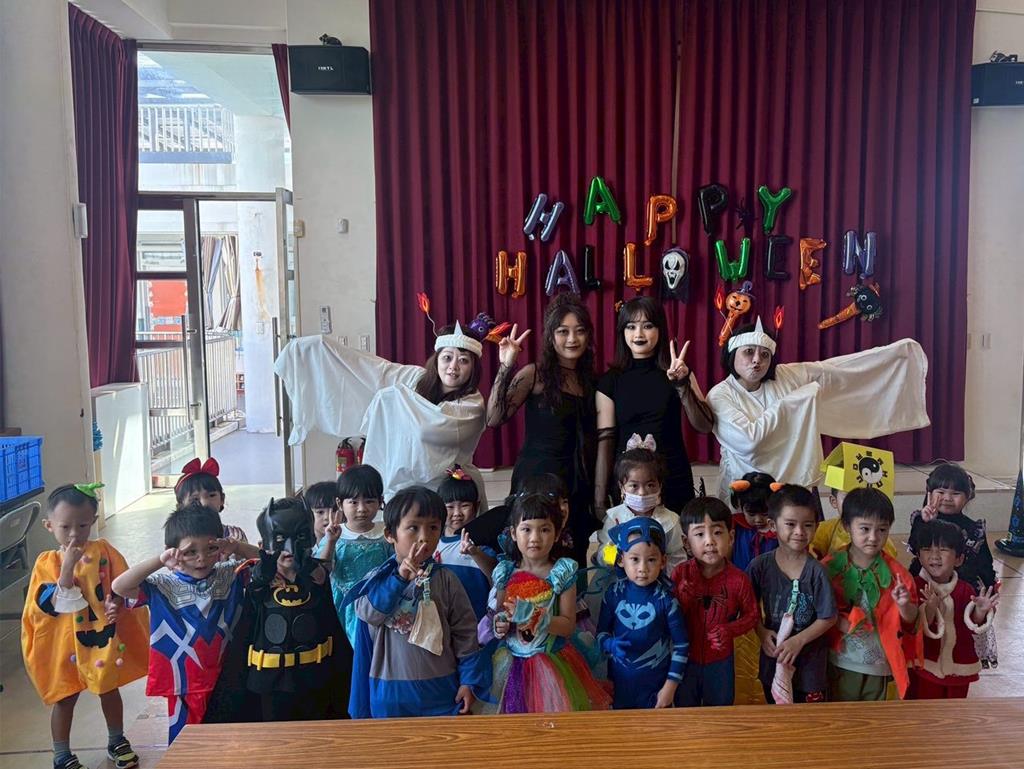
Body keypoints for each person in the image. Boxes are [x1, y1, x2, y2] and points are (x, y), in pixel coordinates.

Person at [275, 317, 494, 506]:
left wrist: (395, 398)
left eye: (463, 361)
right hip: (401, 487)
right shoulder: (416, 379)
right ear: (436, 359)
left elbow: (429, 429)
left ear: (473, 368)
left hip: (448, 491)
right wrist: (321, 347)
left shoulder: (472, 404)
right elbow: (374, 370)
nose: (453, 367)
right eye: (447, 357)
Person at [706, 319, 929, 498]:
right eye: (748, 352)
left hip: (791, 490)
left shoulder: (785, 376)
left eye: (765, 354)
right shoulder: (720, 395)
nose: (757, 360)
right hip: (745, 493)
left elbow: (838, 372)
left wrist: (891, 357)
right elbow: (749, 441)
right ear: (732, 354)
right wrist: (796, 401)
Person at [22, 484, 149, 769]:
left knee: (108, 687)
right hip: (64, 643)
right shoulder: (47, 563)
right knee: (65, 696)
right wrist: (68, 566)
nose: (74, 534)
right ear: (49, 525)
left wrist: (117, 602)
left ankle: (117, 739)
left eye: (82, 525)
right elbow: (50, 602)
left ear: (93, 520)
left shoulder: (104, 551)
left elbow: (123, 583)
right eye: (65, 526)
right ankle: (61, 754)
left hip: (100, 636)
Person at [111, 503, 260, 742]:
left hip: (229, 676)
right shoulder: (162, 585)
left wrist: (238, 547)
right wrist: (160, 561)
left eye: (211, 548)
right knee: (186, 744)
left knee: (232, 741)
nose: (201, 558)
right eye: (190, 552)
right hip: (184, 685)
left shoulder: (232, 573)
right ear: (172, 552)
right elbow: (119, 586)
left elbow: (269, 562)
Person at [347, 486, 488, 718]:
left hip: (442, 692)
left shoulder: (446, 579)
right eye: (413, 527)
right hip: (390, 695)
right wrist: (399, 579)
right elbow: (369, 614)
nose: (424, 537)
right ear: (390, 534)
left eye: (433, 527)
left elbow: (465, 633)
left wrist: (469, 681)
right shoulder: (377, 579)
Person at [487, 293, 600, 569]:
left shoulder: (592, 381)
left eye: (579, 331)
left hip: (576, 482)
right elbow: (494, 417)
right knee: (531, 554)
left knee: (573, 556)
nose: (572, 339)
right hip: (536, 479)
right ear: (550, 336)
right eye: (563, 331)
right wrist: (506, 365)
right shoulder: (534, 374)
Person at [488, 493, 612, 713]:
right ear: (514, 533)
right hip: (513, 664)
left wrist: (531, 615)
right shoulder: (505, 572)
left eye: (544, 529)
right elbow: (500, 614)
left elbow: (567, 626)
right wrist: (500, 625)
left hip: (552, 663)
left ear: (557, 535)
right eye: (527, 529)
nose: (535, 537)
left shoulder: (561, 573)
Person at [594, 297, 714, 515]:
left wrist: (681, 384)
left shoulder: (679, 370)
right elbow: (606, 442)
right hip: (629, 483)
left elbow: (705, 426)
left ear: (660, 330)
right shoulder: (609, 381)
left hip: (673, 477)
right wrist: (599, 501)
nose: (638, 334)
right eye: (631, 327)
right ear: (622, 332)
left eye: (648, 326)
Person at [244, 497, 352, 721]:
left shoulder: (315, 575)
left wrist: (314, 561)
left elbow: (322, 576)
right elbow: (254, 591)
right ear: (264, 544)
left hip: (314, 676)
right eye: (280, 539)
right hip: (271, 679)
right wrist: (263, 573)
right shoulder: (262, 578)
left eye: (300, 537)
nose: (289, 548)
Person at [822, 488, 919, 701]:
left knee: (875, 718)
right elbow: (817, 611)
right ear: (847, 526)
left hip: (879, 666)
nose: (873, 537)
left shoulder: (898, 575)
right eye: (865, 529)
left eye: (882, 529)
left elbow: (912, 623)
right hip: (839, 661)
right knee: (840, 715)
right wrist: (837, 621)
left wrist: (904, 606)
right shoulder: (828, 568)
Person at [747, 485, 837, 704]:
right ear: (772, 525)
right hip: (774, 657)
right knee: (777, 714)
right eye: (790, 524)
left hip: (810, 666)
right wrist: (761, 632)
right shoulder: (760, 566)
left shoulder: (817, 571)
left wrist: (798, 641)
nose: (799, 531)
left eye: (807, 525)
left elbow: (829, 617)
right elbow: (748, 606)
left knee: (809, 718)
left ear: (816, 526)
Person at [908, 462, 998, 667]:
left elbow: (984, 561)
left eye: (955, 493)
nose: (947, 498)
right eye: (941, 492)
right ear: (929, 493)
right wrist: (925, 522)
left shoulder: (973, 529)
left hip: (961, 588)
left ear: (967, 497)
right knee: (925, 625)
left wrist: (990, 587)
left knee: (957, 628)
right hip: (928, 585)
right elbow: (914, 547)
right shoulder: (923, 520)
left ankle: (956, 665)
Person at [671, 497, 758, 706]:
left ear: (731, 537)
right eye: (700, 534)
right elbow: (667, 618)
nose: (709, 541)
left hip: (721, 661)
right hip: (684, 660)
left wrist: (730, 630)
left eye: (718, 532)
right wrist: (681, 602)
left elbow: (752, 615)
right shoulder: (680, 574)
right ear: (686, 543)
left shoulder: (739, 579)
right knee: (684, 709)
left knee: (721, 710)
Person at [596, 517, 688, 709]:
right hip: (619, 686)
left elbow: (681, 645)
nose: (643, 568)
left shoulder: (667, 601)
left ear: (663, 561)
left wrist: (670, 688)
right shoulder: (613, 594)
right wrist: (608, 644)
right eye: (635, 559)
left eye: (651, 560)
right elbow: (601, 633)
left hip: (656, 689)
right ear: (621, 559)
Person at [909, 519, 998, 699]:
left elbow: (971, 624)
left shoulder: (966, 589)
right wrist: (930, 607)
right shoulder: (915, 586)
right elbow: (914, 626)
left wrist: (981, 611)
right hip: (925, 664)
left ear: (959, 559)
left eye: (943, 549)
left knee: (955, 707)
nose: (935, 556)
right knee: (923, 707)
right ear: (918, 556)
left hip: (959, 664)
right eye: (927, 549)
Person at [316, 464, 393, 643]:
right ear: (340, 503)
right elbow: (321, 571)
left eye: (369, 501)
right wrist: (331, 541)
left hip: (378, 605)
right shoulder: (334, 534)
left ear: (380, 501)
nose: (362, 508)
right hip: (343, 607)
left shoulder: (386, 534)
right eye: (353, 502)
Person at [596, 438, 687, 571]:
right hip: (619, 580)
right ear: (622, 487)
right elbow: (602, 557)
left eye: (650, 485)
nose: (642, 492)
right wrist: (614, 552)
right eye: (634, 485)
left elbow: (677, 560)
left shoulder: (670, 521)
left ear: (660, 486)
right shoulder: (615, 517)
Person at [435, 464, 498, 620]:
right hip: (443, 621)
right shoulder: (433, 544)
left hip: (476, 623)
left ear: (476, 506)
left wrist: (475, 554)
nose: (457, 513)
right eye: (450, 507)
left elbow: (496, 577)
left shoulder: (482, 544)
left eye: (464, 506)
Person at [812, 485, 899, 560]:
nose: (856, 503)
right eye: (848, 496)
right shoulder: (824, 529)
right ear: (834, 501)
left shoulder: (882, 541)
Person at [174, 457, 247, 542]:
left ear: (222, 499)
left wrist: (238, 547)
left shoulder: (236, 535)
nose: (204, 503)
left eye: (211, 495)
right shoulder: (178, 538)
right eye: (195, 499)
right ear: (181, 506)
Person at [729, 472, 780, 571]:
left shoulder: (780, 529)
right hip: (740, 577)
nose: (758, 520)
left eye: (765, 513)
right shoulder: (734, 526)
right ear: (740, 506)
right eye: (751, 514)